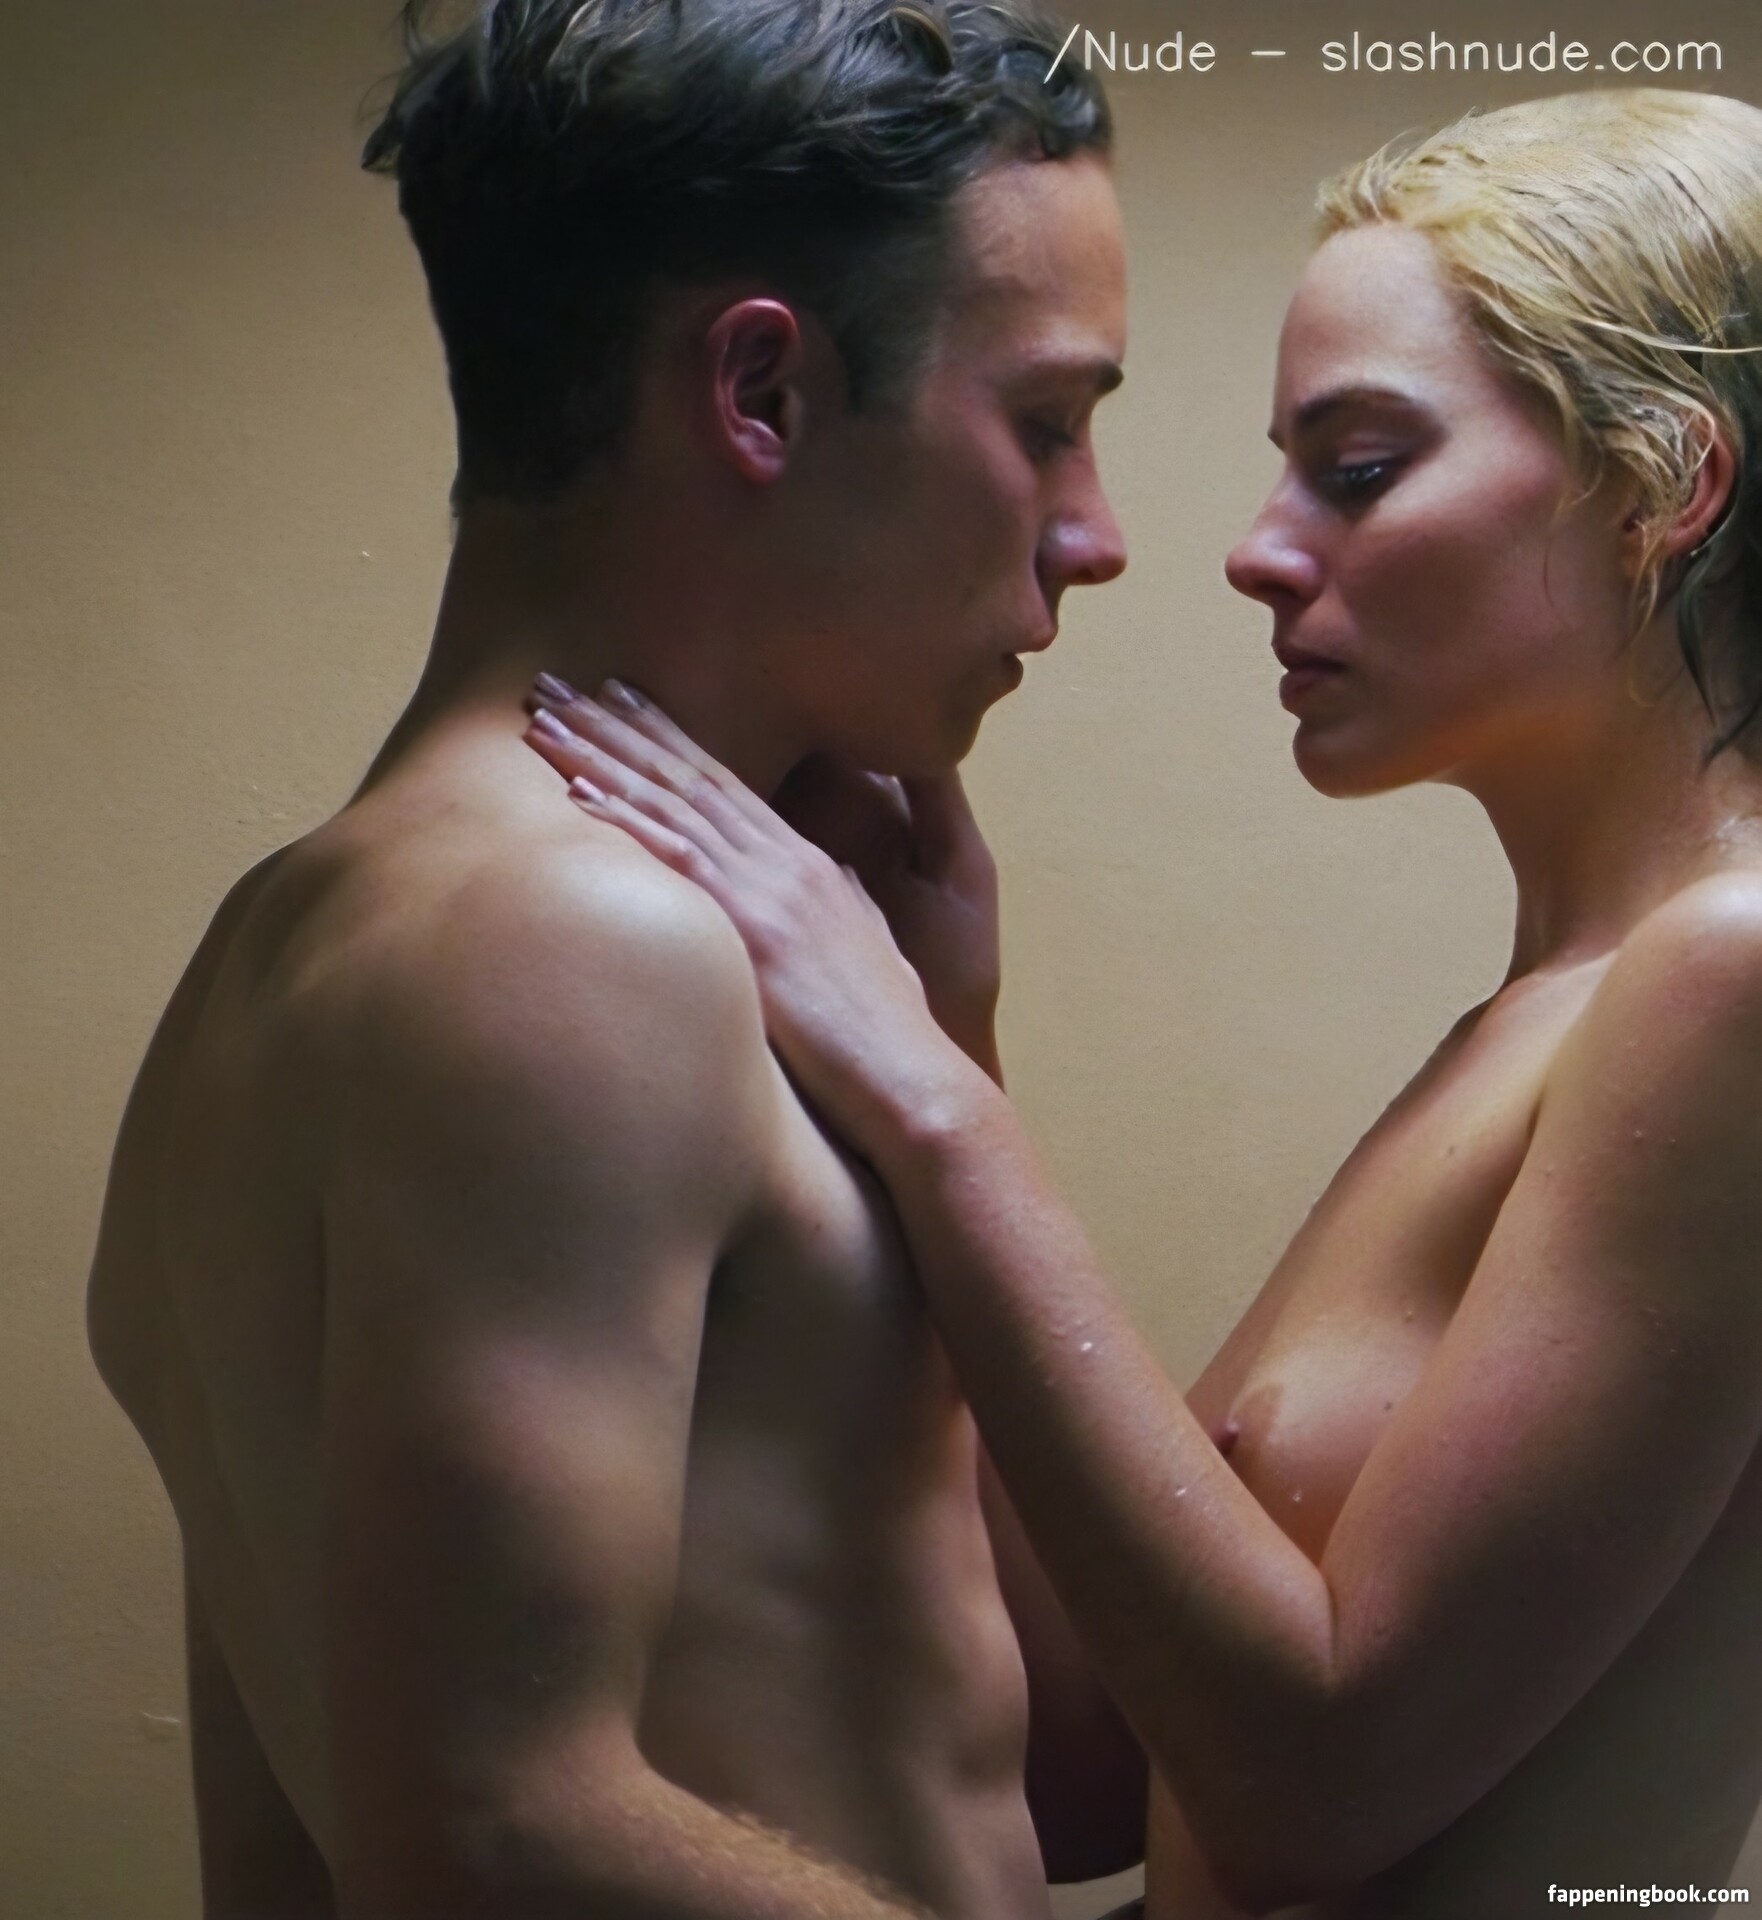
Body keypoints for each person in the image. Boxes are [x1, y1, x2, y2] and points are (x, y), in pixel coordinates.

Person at [523, 89, 1762, 1917]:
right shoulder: (1539, 1027)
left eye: (1357, 468)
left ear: (1662, 485)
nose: (1256, 549)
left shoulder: (1728, 974)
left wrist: (935, 1109)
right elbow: (1095, 1760)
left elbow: (1310, 1789)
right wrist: (948, 1033)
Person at [84, 2, 1143, 1915]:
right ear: (761, 392)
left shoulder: (282, 948)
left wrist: (945, 1061)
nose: (1096, 537)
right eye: (1047, 424)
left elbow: (1067, 1777)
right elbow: (490, 1827)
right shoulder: (564, 949)